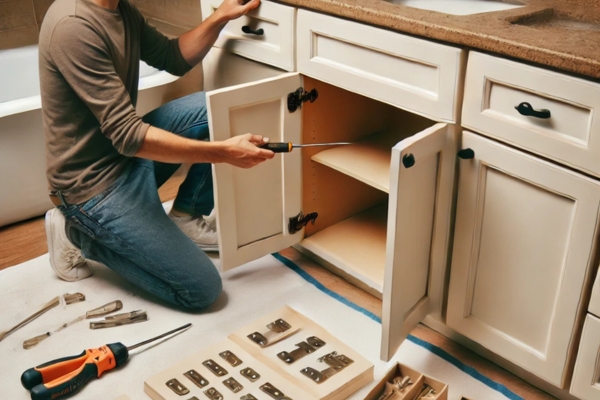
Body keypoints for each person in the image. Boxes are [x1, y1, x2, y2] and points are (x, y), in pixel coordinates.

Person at [39, 0, 275, 310]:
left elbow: (171, 56)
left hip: (123, 158)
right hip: (92, 188)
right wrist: (222, 153)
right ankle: (77, 235)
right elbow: (128, 135)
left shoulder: (119, 9)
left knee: (215, 106)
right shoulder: (72, 26)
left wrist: (220, 17)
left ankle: (185, 215)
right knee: (202, 290)